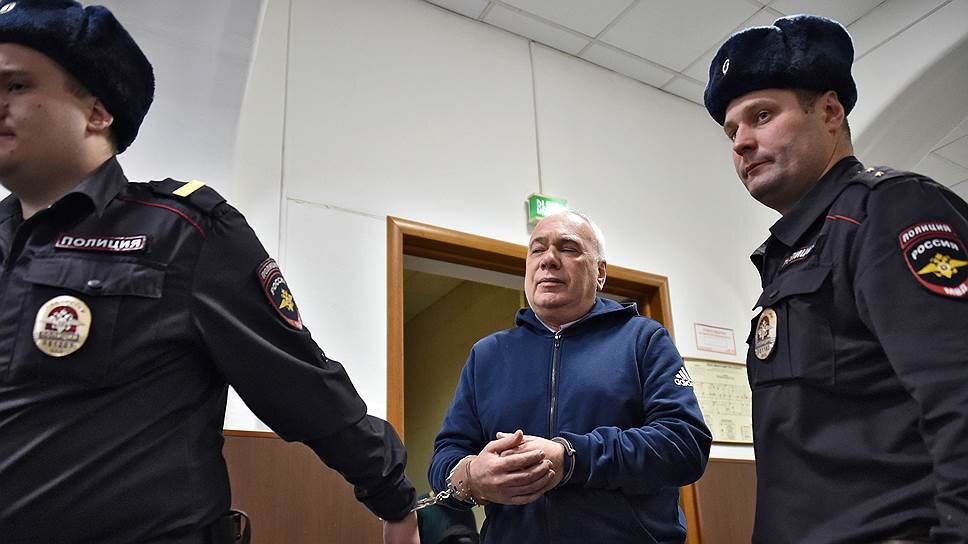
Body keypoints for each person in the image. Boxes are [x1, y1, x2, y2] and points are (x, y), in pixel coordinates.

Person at [0, 1, 418, 543]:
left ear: (97, 112)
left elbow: (302, 385)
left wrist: (395, 499)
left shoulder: (183, 231)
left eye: (16, 85)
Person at [704, 14, 968, 543]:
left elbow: (958, 393)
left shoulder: (888, 210)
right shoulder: (793, 251)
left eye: (761, 115)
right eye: (732, 130)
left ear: (829, 111)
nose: (741, 142)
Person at [428, 211, 711, 543]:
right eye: (537, 249)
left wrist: (571, 458)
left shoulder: (644, 340)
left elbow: (684, 443)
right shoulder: (487, 355)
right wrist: (472, 476)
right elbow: (446, 454)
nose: (548, 259)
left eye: (568, 248)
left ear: (600, 273)